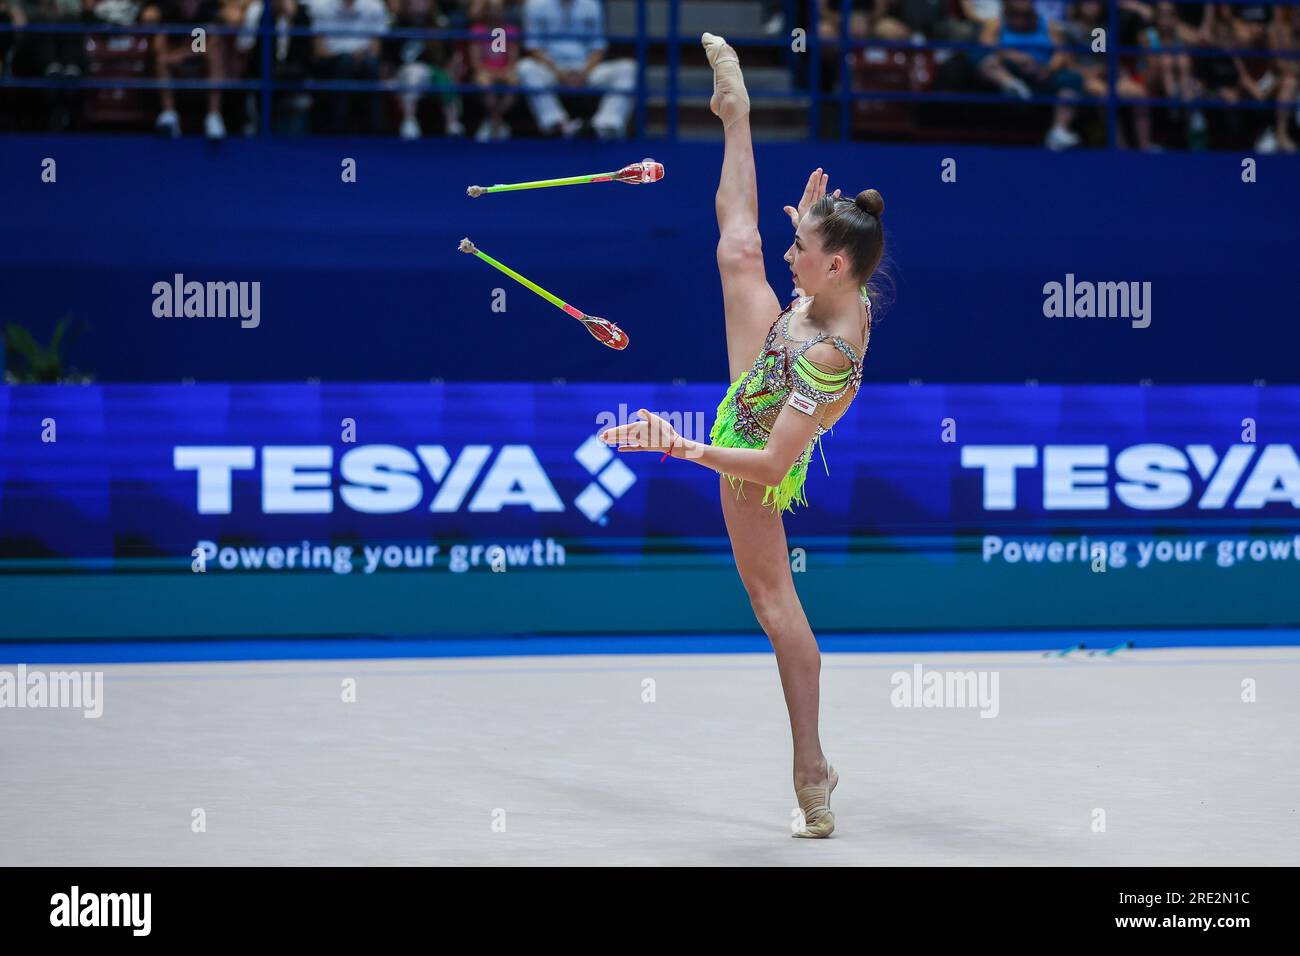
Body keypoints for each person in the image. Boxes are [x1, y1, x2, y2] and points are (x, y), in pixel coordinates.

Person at [599, 33, 885, 839]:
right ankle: (737, 115)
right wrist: (813, 232)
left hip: (759, 442)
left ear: (837, 271)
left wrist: (676, 444)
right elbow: (804, 254)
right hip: (772, 362)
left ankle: (812, 768)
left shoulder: (831, 353)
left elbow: (764, 460)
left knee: (774, 607)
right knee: (737, 246)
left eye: (805, 249)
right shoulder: (836, 284)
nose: (793, 251)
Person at [517, 0, 635, 138]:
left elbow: (598, 46)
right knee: (525, 67)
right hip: (551, 69)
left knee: (629, 68)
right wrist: (559, 73)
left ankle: (605, 126)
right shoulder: (535, 5)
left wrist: (584, 72)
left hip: (586, 69)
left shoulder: (591, 5)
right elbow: (533, 47)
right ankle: (557, 125)